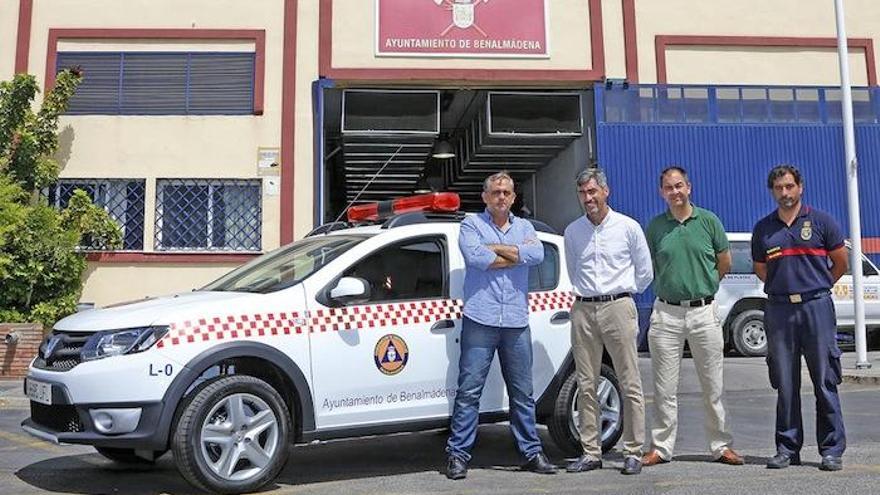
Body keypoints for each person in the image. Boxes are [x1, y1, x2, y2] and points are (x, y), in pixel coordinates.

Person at [445, 171, 556, 479]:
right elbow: (476, 257)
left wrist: (494, 249)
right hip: (481, 318)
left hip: (516, 321)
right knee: (469, 391)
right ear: (485, 197)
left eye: (507, 192)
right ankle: (458, 455)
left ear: (513, 197)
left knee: (523, 393)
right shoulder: (470, 224)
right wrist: (516, 255)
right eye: (495, 192)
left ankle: (531, 453)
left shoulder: (524, 226)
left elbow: (537, 254)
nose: (501, 197)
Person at [641, 166, 743, 467]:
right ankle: (660, 448)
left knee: (713, 385)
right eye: (669, 188)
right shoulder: (656, 226)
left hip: (703, 312)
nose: (675, 192)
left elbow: (724, 262)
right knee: (663, 388)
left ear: (689, 187)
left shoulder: (709, 221)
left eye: (679, 186)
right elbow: (651, 266)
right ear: (662, 193)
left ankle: (721, 446)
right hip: (666, 314)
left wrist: (705, 286)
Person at [752, 164, 847, 471]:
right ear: (772, 192)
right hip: (780, 309)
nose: (785, 193)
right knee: (785, 382)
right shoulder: (764, 228)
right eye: (779, 188)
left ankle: (831, 449)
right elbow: (761, 269)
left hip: (816, 307)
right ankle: (787, 448)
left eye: (790, 186)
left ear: (800, 187)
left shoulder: (822, 222)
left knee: (824, 380)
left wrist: (816, 288)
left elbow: (839, 263)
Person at [563, 167, 653, 475]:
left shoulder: (628, 227)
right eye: (582, 193)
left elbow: (645, 272)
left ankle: (633, 451)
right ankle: (591, 452)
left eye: (592, 192)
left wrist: (622, 294)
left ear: (605, 191)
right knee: (586, 383)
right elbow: (573, 270)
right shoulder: (573, 231)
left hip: (618, 307)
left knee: (629, 382)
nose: (588, 198)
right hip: (584, 310)